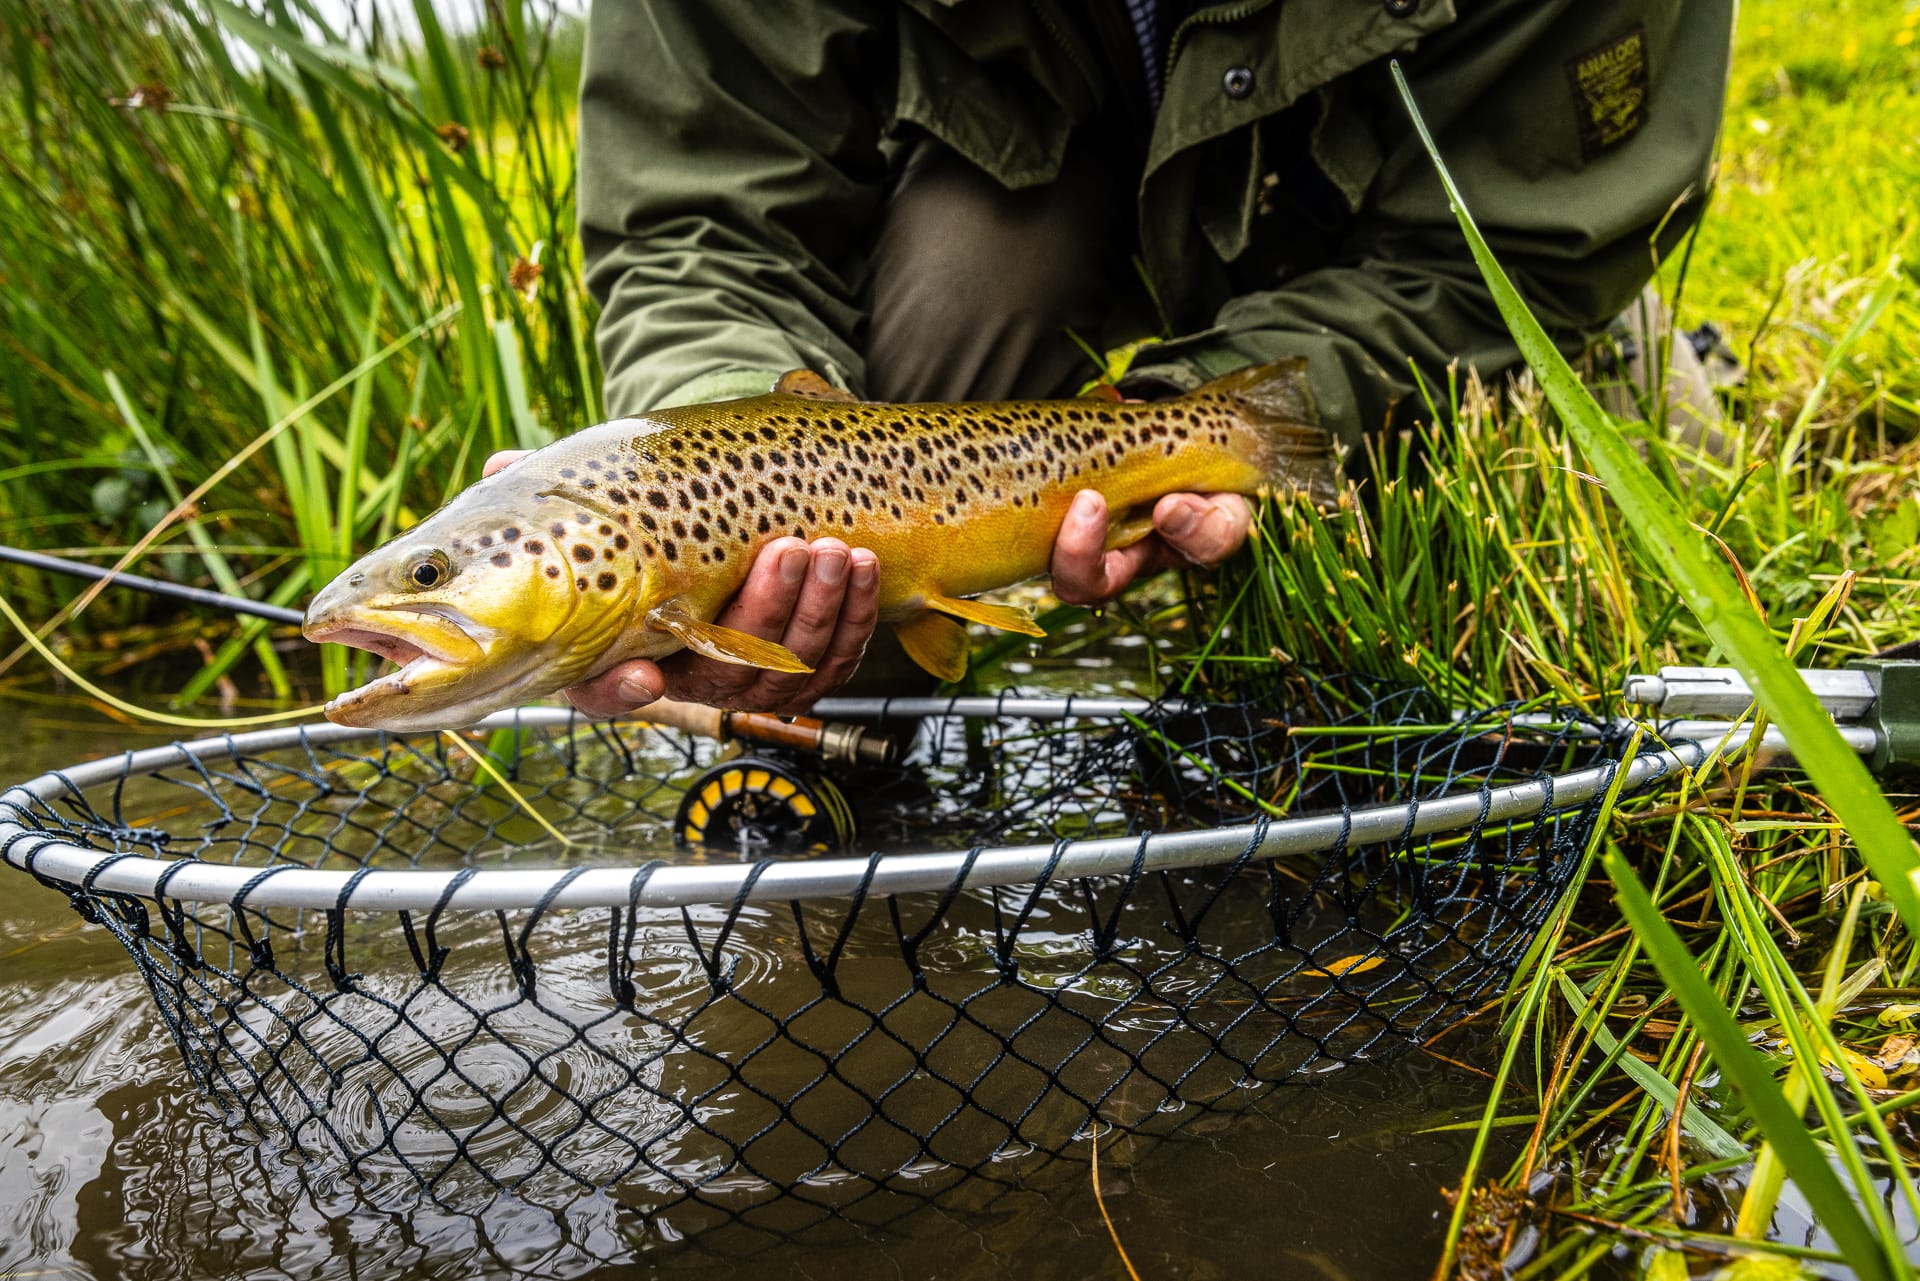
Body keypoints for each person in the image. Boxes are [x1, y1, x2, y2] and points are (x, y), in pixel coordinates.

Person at [490, 0, 1732, 717]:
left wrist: (1205, 420)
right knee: (940, 320)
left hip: (1404, 198)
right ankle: (851, 755)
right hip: (1033, 162)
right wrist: (698, 459)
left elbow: (1519, 238)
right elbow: (702, 217)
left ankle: (1621, 378)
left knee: (1569, 466)